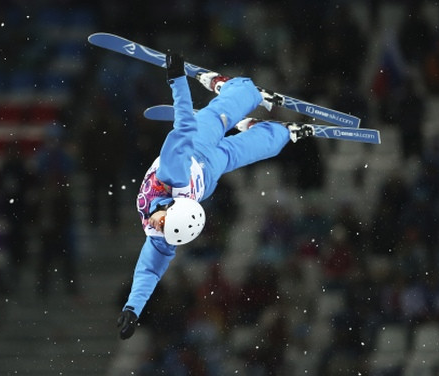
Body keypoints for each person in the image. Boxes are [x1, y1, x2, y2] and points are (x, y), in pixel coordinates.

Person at [117, 53, 314, 339]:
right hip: (198, 154)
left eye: (160, 226)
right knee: (215, 119)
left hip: (202, 173)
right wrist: (177, 80)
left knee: (234, 150)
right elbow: (184, 124)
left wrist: (132, 308)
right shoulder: (174, 179)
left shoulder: (168, 213)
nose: (156, 227)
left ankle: (270, 127)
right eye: (162, 225)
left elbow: (149, 269)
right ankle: (242, 95)